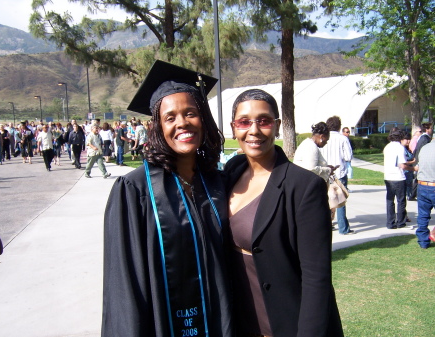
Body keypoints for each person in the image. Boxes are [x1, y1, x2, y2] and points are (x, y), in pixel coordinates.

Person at [102, 60, 232, 336]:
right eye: (170, 117)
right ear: (158, 127)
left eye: (190, 113)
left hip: (221, 323)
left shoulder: (217, 183)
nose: (182, 123)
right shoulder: (134, 191)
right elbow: (124, 284)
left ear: (203, 120)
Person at [224, 88, 343, 337]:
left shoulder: (303, 186)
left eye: (264, 121)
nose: (254, 130)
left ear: (277, 126)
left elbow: (316, 278)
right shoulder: (231, 173)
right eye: (244, 122)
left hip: (281, 323)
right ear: (234, 128)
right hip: (238, 322)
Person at [320, 116, 354, 235]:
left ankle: (327, 224)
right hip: (339, 172)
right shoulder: (343, 139)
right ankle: (343, 228)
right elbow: (348, 156)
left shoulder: (323, 138)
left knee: (326, 199)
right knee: (340, 199)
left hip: (325, 172)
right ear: (339, 126)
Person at [383, 129, 416, 229]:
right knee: (401, 201)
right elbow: (402, 165)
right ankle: (401, 222)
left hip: (388, 176)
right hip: (398, 176)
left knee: (390, 201)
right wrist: (413, 168)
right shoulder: (400, 148)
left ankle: (390, 223)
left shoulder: (387, 147)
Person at [414, 138, 435, 248]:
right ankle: (433, 234)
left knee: (423, 215)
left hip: (422, 185)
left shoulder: (424, 148)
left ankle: (423, 241)